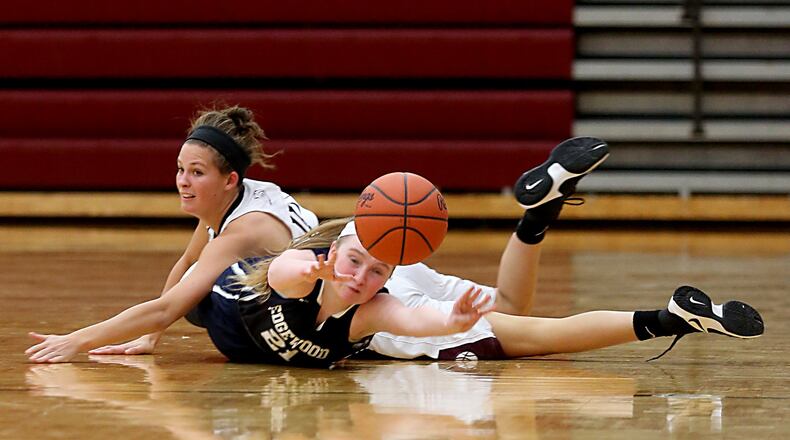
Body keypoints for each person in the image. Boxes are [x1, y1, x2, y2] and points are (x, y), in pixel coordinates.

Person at [365, 136, 765, 361]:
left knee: (538, 336)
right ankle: (538, 215)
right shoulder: (311, 234)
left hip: (371, 289)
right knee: (509, 305)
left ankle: (670, 319)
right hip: (371, 248)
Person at [26, 105, 319, 359]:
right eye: (180, 169)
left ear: (229, 180)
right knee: (196, 275)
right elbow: (188, 260)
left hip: (309, 319)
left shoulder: (243, 230)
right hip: (308, 294)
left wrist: (76, 340)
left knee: (207, 296)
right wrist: (150, 337)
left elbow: (166, 309)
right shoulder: (232, 196)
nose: (183, 181)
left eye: (197, 172)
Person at [27, 217, 494, 367]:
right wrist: (79, 341)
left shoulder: (372, 310)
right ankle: (222, 222)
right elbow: (287, 272)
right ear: (333, 253)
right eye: (354, 261)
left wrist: (453, 322)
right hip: (221, 311)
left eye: (377, 272)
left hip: (254, 359)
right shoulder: (300, 271)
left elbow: (415, 322)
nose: (361, 277)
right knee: (178, 297)